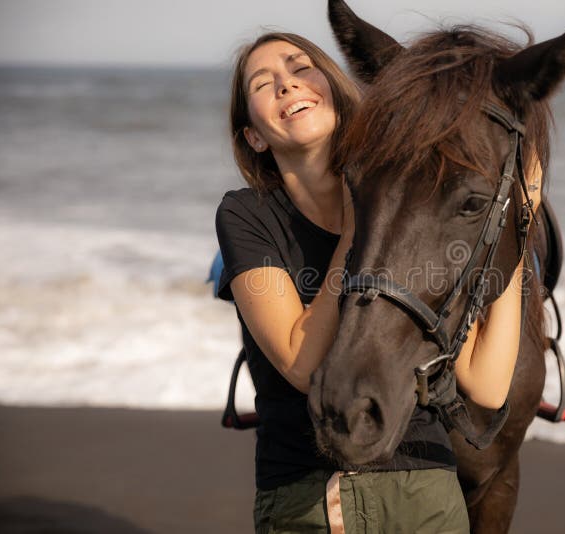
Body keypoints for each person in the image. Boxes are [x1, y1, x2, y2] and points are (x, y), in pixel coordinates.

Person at [215, 31, 530, 533]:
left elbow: (487, 388)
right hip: (309, 496)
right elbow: (302, 364)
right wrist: (360, 218)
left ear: (337, 90)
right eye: (262, 83)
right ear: (253, 134)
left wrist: (519, 216)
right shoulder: (247, 215)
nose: (285, 85)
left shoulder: (412, 205)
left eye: (300, 68)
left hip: (425, 488)